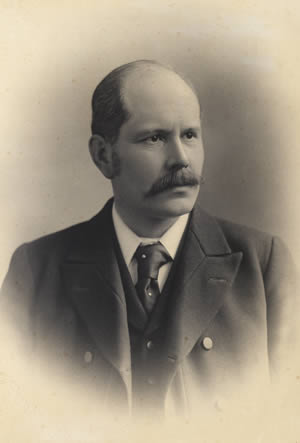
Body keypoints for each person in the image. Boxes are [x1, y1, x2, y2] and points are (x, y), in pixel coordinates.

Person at [1, 60, 298, 419]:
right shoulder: (35, 271)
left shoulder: (262, 263)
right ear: (103, 155)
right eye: (154, 138)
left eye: (190, 135)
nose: (181, 159)